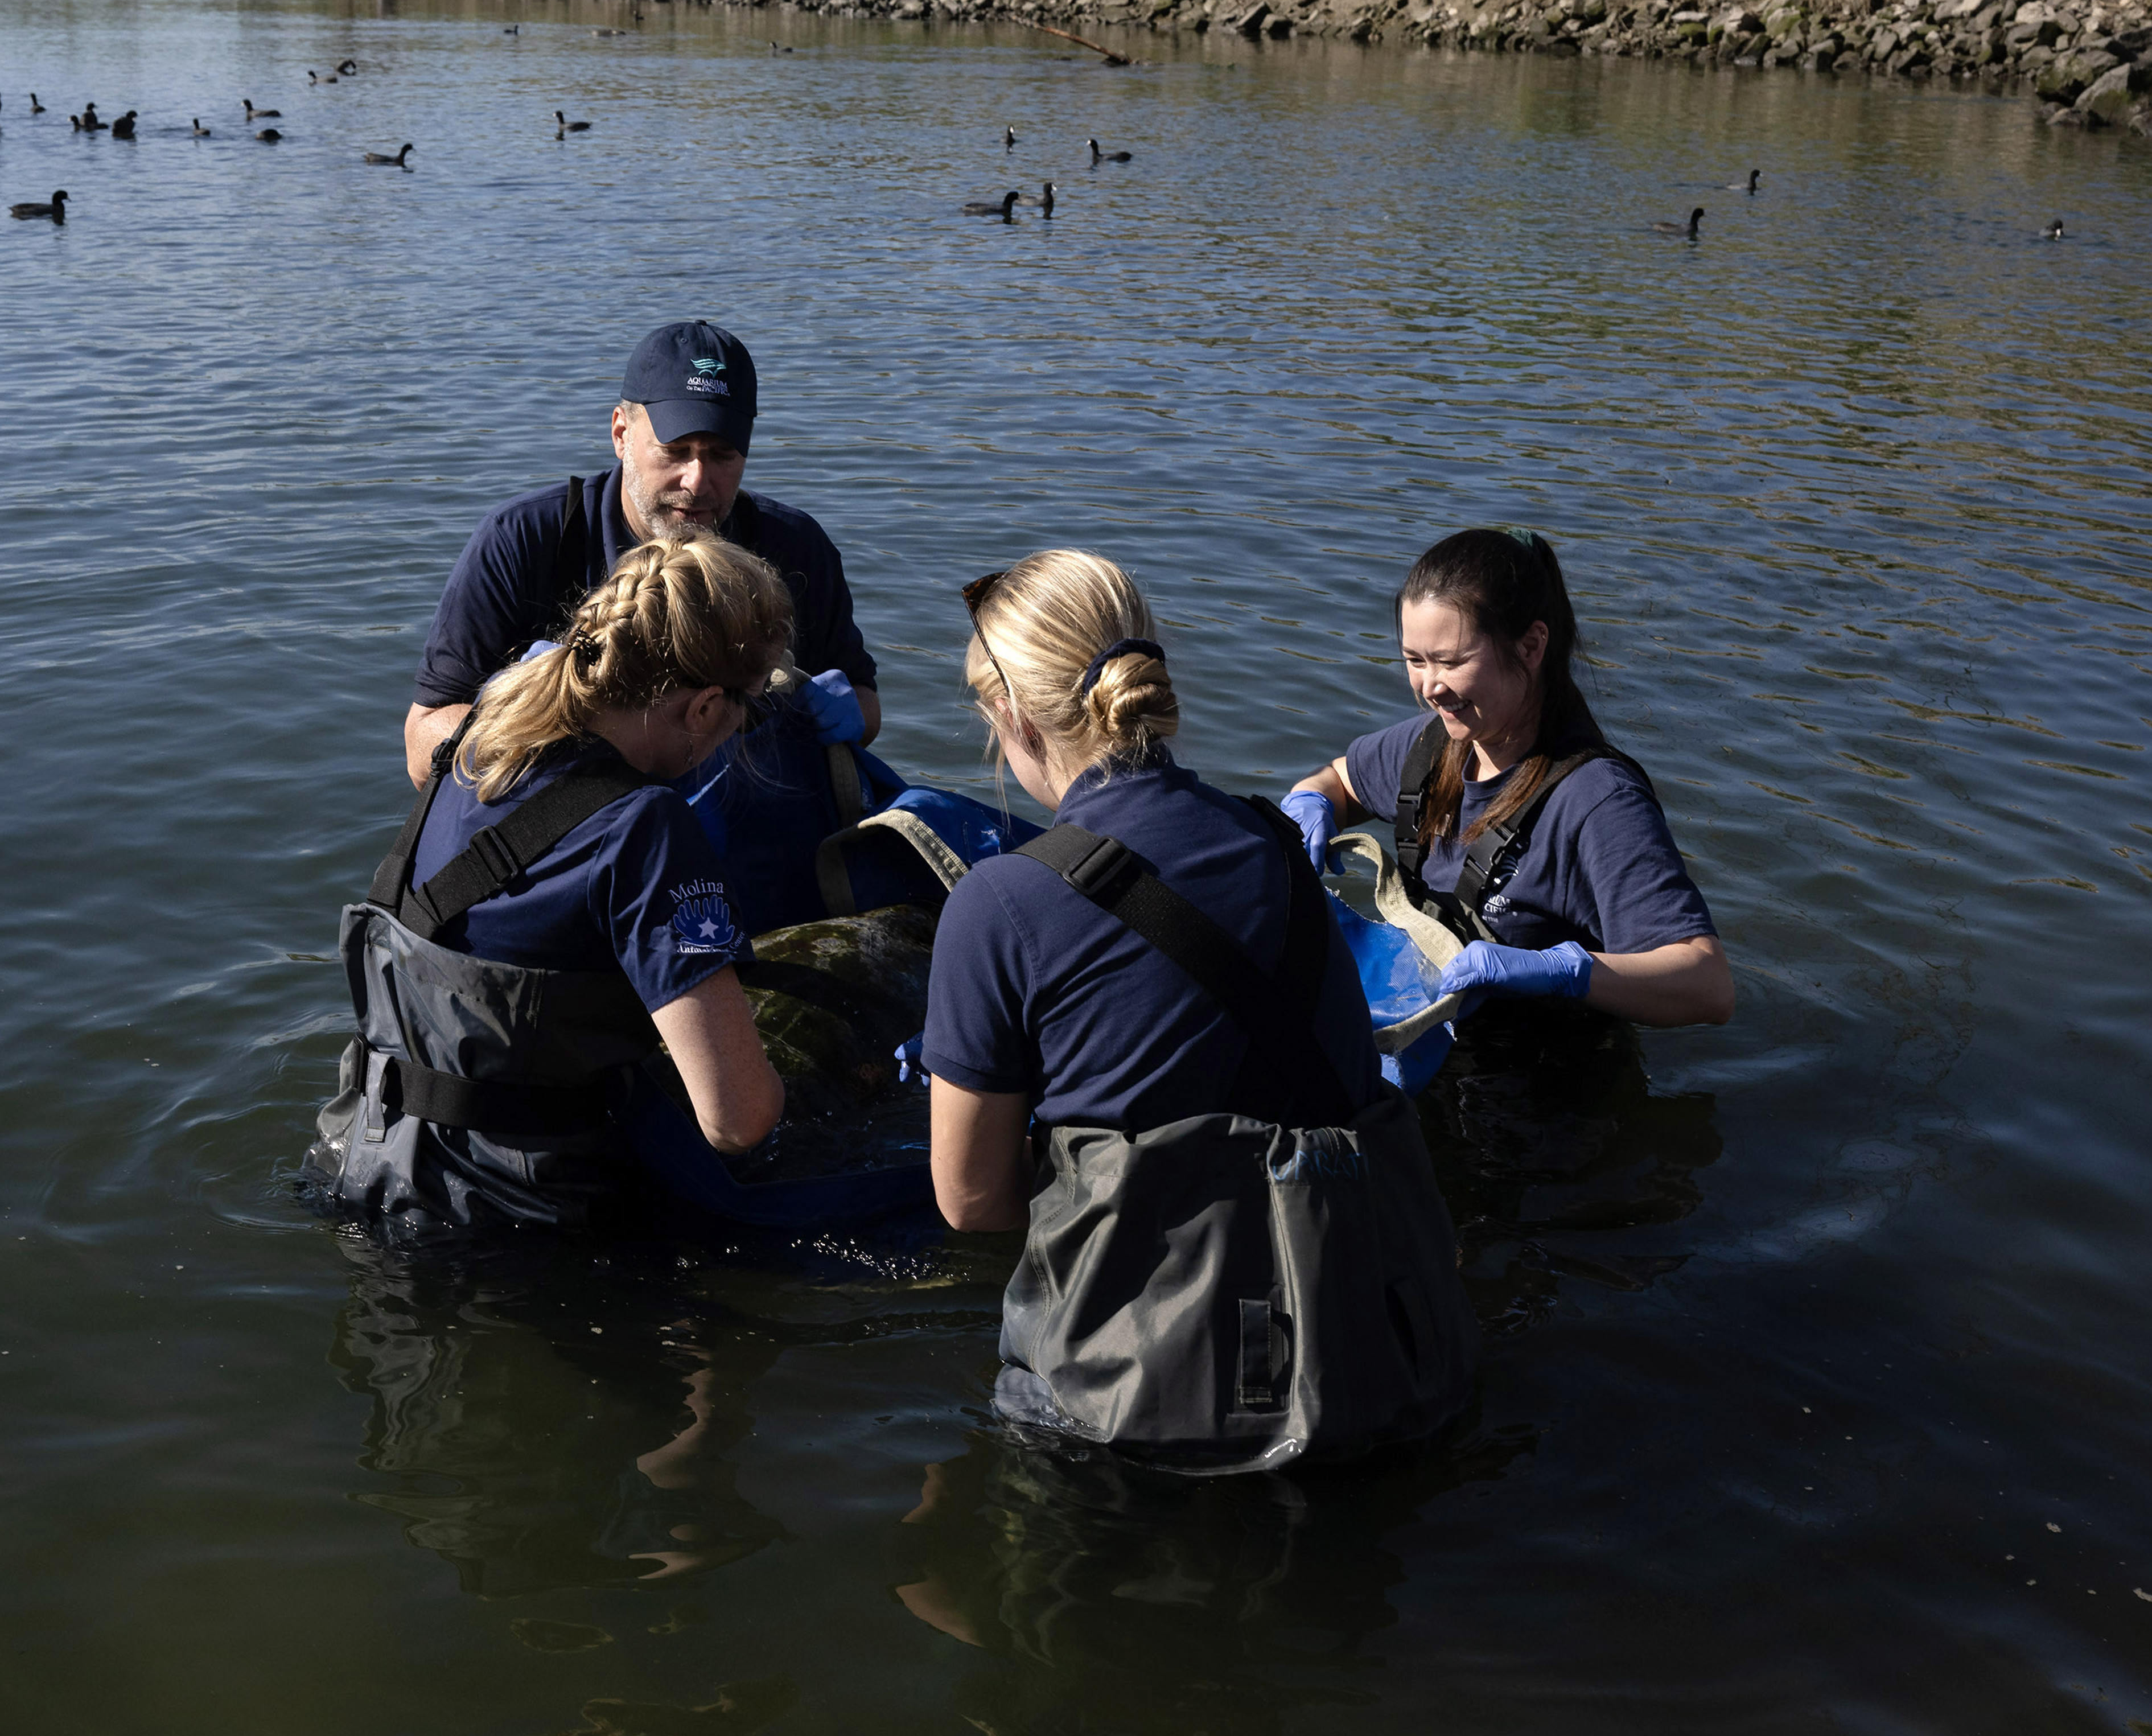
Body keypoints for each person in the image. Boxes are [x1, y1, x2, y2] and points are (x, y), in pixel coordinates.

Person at [923, 553, 1467, 1469]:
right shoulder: (1278, 845)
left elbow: (972, 1203)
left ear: (1010, 716)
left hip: (1132, 1414)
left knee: (934, 1579)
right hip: (1367, 1364)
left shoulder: (1000, 902)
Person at [314, 533, 792, 1232]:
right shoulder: (645, 829)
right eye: (750, 706)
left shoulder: (479, 738)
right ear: (704, 707)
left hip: (368, 1162)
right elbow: (738, 1119)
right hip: (516, 1225)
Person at [402, 322, 880, 930]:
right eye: (676, 451)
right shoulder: (524, 541)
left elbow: (866, 707)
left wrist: (837, 710)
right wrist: (530, 715)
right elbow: (423, 749)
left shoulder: (795, 548)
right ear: (622, 433)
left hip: (747, 873)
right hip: (579, 869)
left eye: (723, 454)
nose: (699, 482)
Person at [1284, 528, 1732, 1032]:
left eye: (1452, 662)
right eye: (1415, 660)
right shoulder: (1430, 746)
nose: (1430, 687)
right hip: (1425, 1040)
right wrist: (1311, 801)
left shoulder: (1600, 802)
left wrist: (1564, 970)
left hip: (1538, 1084)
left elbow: (1709, 987)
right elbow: (1340, 779)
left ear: (1532, 646)